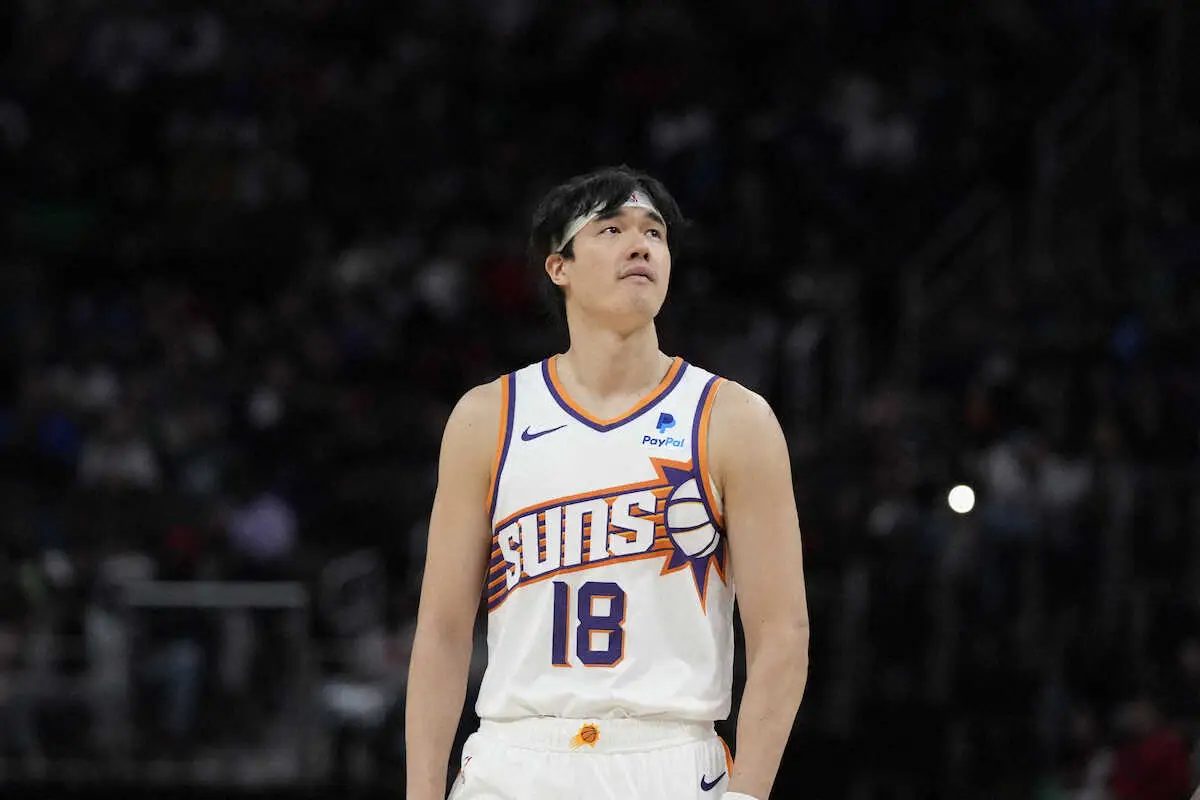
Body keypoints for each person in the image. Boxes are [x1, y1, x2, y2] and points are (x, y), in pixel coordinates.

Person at [406, 166, 810, 800]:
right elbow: (442, 631)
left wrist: (746, 794)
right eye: (612, 229)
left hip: (668, 756)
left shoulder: (733, 419)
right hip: (514, 758)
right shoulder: (488, 417)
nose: (641, 245)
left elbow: (783, 633)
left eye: (655, 232)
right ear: (558, 266)